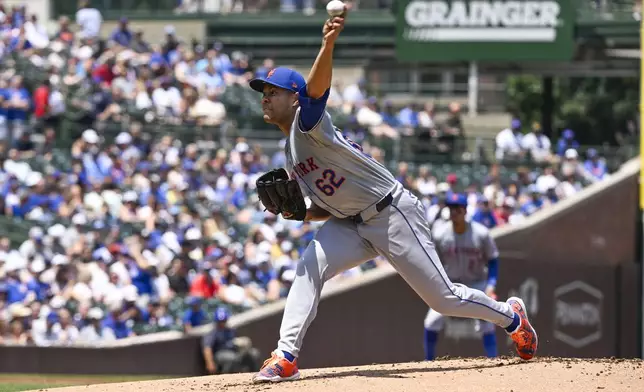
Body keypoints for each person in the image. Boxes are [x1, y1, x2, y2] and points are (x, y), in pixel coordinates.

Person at [248, 6, 537, 384]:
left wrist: (328, 44)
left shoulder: (308, 125)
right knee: (309, 266)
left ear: (295, 98)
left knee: (442, 299)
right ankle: (286, 355)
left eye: (274, 91)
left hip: (391, 214)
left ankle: (512, 317)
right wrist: (301, 214)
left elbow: (317, 92)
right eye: (264, 92)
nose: (265, 97)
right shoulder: (291, 148)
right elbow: (328, 205)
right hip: (350, 223)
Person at [423, 193, 500, 360]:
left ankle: (494, 361)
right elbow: (433, 262)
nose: (453, 213)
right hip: (450, 284)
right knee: (431, 322)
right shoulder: (440, 233)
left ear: (465, 211)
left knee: (487, 323)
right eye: (450, 208)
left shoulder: (481, 233)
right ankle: (428, 361)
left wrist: (491, 284)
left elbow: (493, 260)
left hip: (477, 283)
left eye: (457, 209)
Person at [201, 307, 261, 375]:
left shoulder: (231, 330)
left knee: (254, 353)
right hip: (220, 353)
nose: (222, 323)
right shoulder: (212, 333)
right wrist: (210, 363)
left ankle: (255, 374)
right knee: (232, 358)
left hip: (234, 351)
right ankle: (226, 378)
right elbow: (207, 348)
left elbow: (235, 341)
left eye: (224, 320)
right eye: (220, 321)